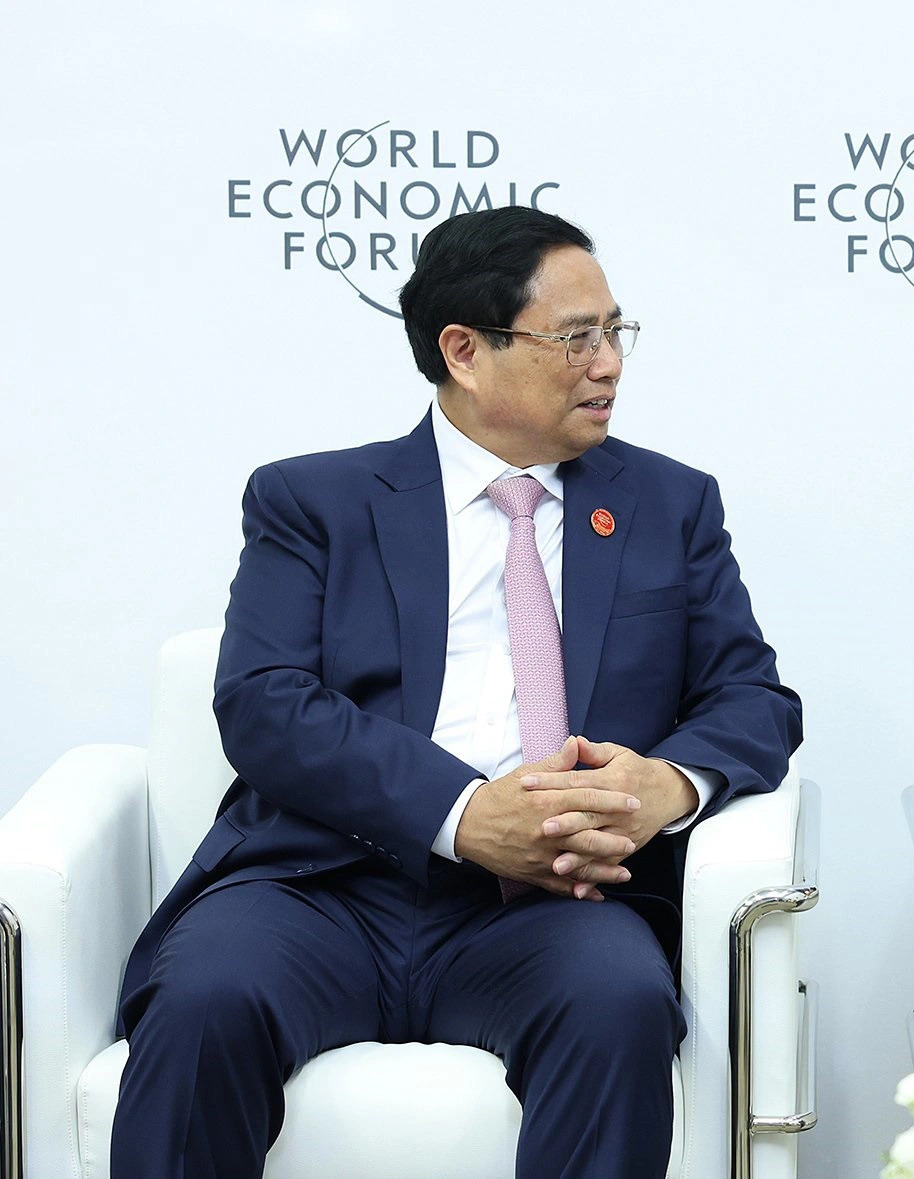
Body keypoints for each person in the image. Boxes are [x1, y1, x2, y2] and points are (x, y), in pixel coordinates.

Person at [113, 206, 802, 1178]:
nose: (608, 364)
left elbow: (753, 699)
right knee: (205, 1001)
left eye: (616, 333)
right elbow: (265, 703)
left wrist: (667, 786)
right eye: (576, 338)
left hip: (554, 906)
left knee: (617, 1002)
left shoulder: (667, 504)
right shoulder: (315, 502)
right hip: (321, 887)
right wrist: (463, 813)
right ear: (465, 351)